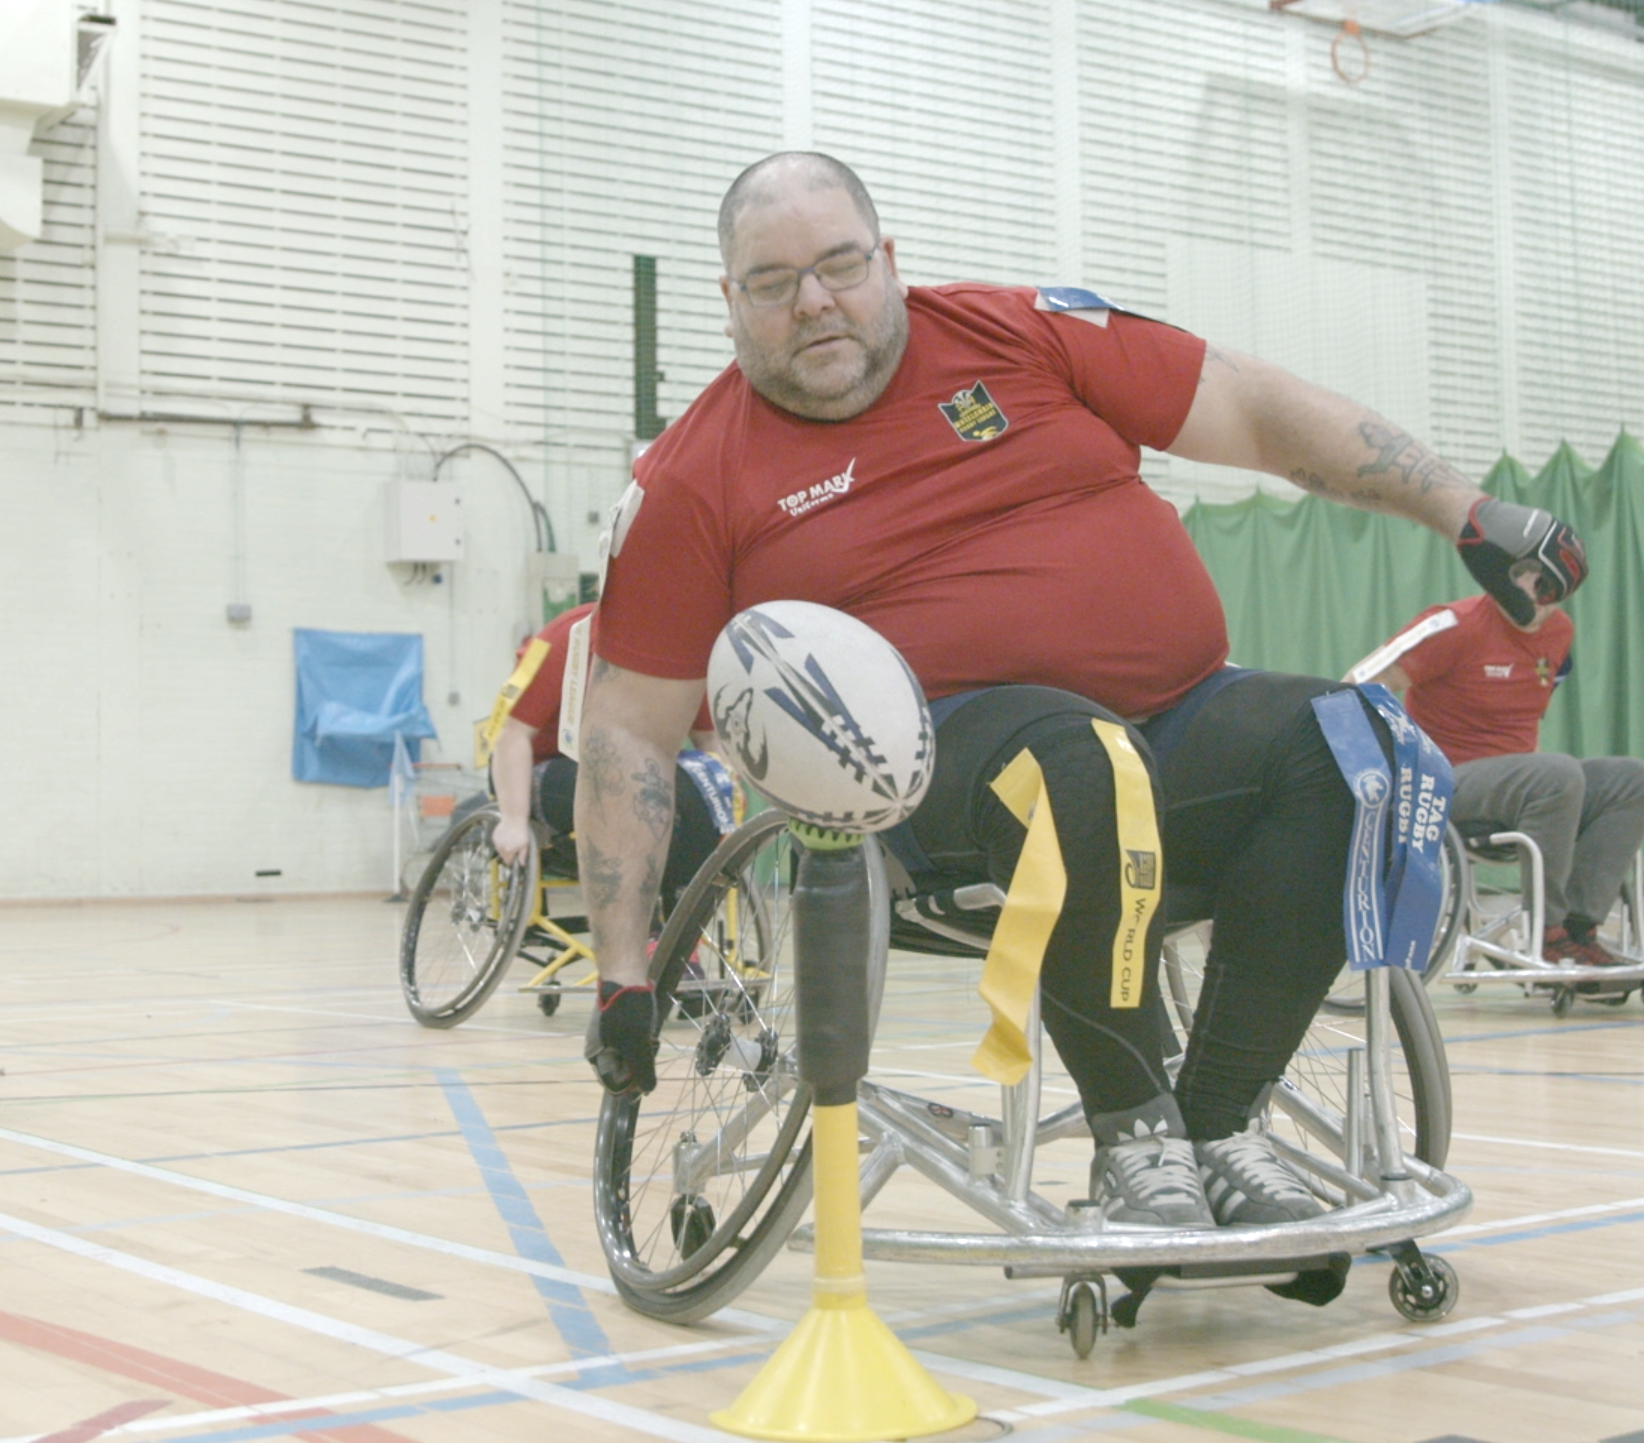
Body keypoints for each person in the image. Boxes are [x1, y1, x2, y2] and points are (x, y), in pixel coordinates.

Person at [573, 151, 1586, 1238]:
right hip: (925, 791)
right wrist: (621, 974)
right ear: (730, 303)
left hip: (1173, 723)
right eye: (773, 283)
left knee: (1349, 745)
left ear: (890, 261)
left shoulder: (1021, 333)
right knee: (1079, 759)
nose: (815, 300)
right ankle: (1137, 1137)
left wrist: (1462, 511)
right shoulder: (691, 479)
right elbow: (630, 731)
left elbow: (1247, 405)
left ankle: (1217, 1123)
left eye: (840, 265)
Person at [1349, 575, 1644, 971]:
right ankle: (1546, 930)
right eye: (1533, 579)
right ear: (1509, 574)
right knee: (1556, 773)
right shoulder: (1455, 624)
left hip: (1523, 782)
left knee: (1630, 777)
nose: (1541, 595)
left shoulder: (1560, 632)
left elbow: (1530, 720)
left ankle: (1579, 927)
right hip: (1445, 782)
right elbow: (1357, 684)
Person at [483, 601, 730, 903]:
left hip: (637, 769)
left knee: (698, 790)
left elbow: (708, 739)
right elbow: (513, 734)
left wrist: (725, 789)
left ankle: (680, 922)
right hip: (541, 768)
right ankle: (644, 929)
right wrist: (513, 820)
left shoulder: (683, 647)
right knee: (630, 784)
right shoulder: (565, 636)